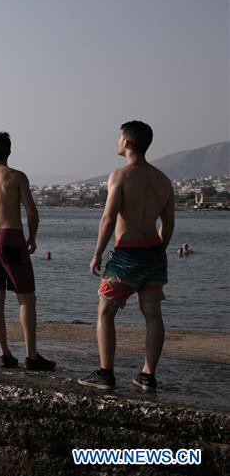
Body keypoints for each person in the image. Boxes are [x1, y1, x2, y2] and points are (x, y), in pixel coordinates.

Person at [81, 121, 173, 392]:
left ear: (128, 143)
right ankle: (148, 375)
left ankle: (105, 373)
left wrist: (97, 253)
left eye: (119, 138)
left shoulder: (119, 176)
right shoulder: (162, 180)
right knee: (153, 314)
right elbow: (167, 225)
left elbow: (109, 218)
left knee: (106, 311)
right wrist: (159, 251)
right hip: (153, 253)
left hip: (126, 256)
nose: (117, 142)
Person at [0, 132, 56, 371]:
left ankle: (4, 354)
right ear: (9, 152)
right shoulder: (16, 177)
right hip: (11, 236)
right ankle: (32, 356)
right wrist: (32, 238)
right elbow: (32, 213)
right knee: (26, 297)